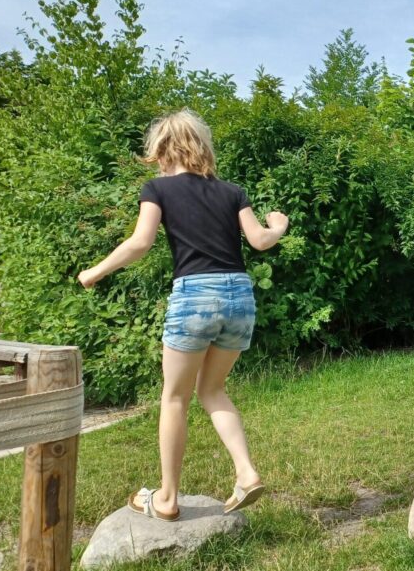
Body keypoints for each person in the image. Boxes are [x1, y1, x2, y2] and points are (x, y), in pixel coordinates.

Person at [78, 109, 289, 521]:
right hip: (240, 298)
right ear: (202, 147)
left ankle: (168, 499)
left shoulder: (156, 189)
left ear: (161, 151)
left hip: (195, 296)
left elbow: (141, 243)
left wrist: (96, 271)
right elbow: (261, 241)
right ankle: (245, 473)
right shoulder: (232, 191)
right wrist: (278, 224)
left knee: (174, 396)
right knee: (212, 390)